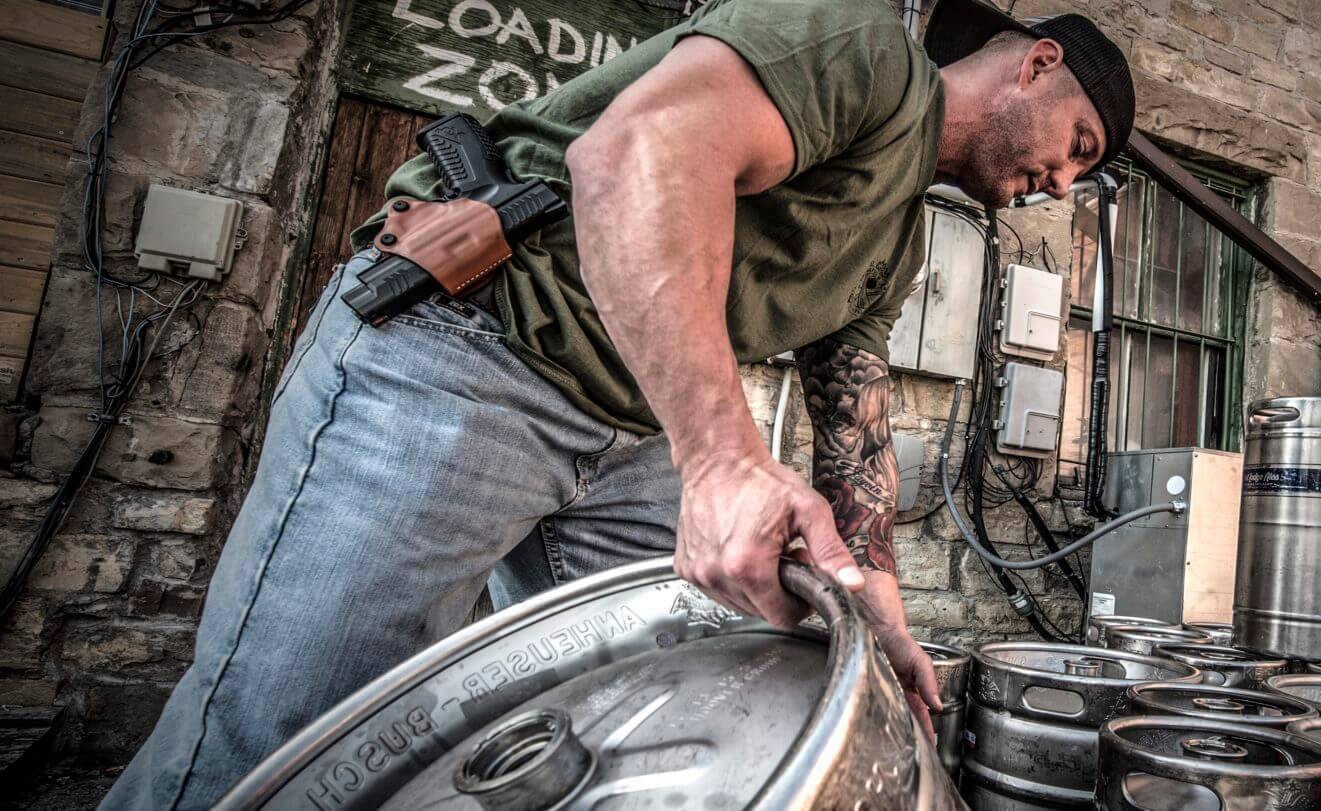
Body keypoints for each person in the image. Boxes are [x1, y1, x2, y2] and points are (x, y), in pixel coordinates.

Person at [103, 0, 1134, 806]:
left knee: (666, 705)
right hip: (474, 350)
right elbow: (635, 155)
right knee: (282, 748)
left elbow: (854, 428)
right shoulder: (862, 50)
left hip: (630, 438)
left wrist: (875, 625)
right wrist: (724, 461)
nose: (1059, 184)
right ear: (1032, 63)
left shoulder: (896, 241)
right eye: (1077, 146)